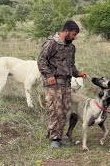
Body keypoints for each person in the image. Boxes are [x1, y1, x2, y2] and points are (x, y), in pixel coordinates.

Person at [37, 20, 87, 148]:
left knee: (64, 111)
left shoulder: (71, 47)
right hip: (53, 85)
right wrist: (49, 75)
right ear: (66, 31)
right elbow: (41, 61)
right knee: (55, 110)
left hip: (66, 84)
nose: (74, 37)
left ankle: (59, 137)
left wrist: (78, 73)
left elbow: (71, 66)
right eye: (73, 34)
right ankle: (54, 139)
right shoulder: (51, 43)